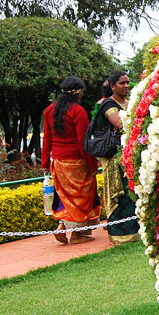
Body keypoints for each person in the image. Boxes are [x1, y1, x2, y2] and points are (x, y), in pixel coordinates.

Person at [41, 76, 101, 244]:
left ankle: (62, 227)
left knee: (66, 197)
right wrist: (92, 163)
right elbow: (84, 142)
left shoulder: (49, 110)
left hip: (58, 161)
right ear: (79, 92)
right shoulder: (78, 111)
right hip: (77, 160)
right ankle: (77, 235)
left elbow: (47, 140)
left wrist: (45, 163)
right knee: (81, 197)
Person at [96, 70, 141, 244]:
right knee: (119, 193)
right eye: (122, 83)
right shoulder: (108, 104)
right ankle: (120, 235)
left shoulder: (129, 102)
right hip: (115, 158)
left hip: (131, 153)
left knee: (133, 193)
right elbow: (121, 125)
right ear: (112, 86)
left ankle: (136, 232)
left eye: (128, 82)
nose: (127, 86)